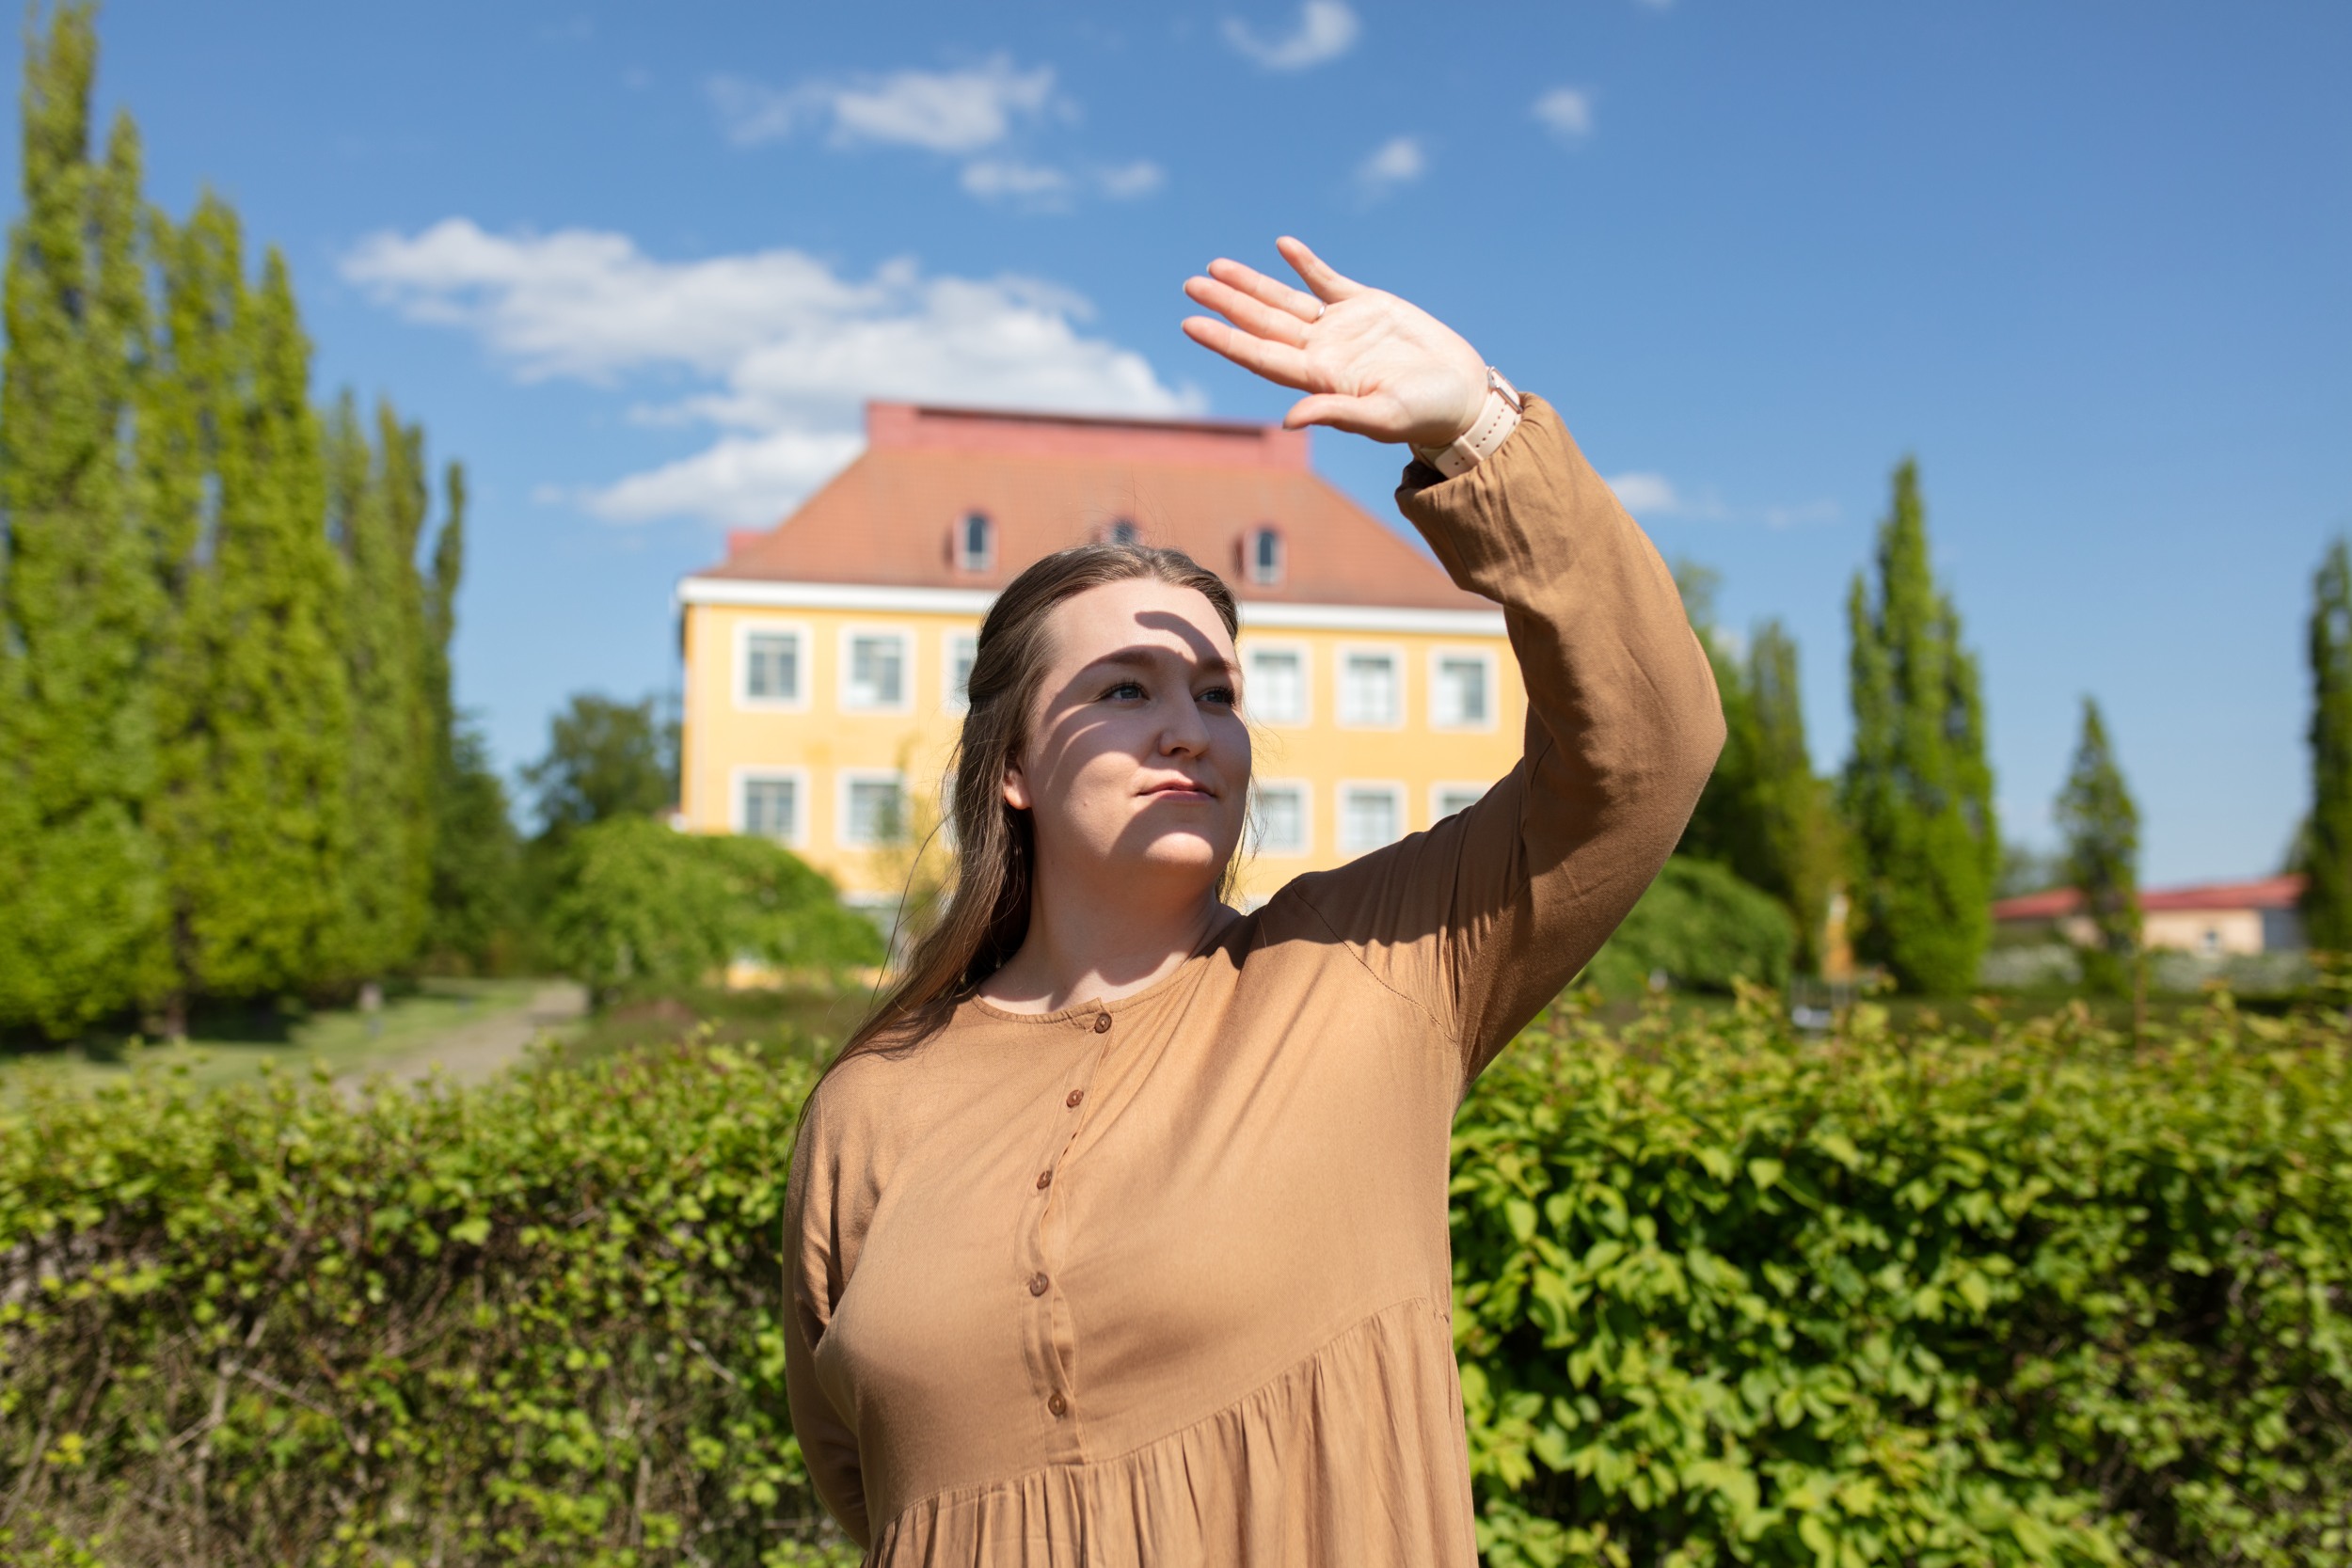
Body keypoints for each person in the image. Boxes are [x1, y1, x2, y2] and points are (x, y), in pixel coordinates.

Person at [784, 237, 1724, 1566]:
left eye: (1218, 696)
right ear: (1007, 773)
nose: (1191, 731)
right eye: (1125, 691)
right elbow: (862, 1478)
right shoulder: (866, 1106)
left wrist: (1478, 431)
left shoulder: (1371, 968)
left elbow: (1648, 752)